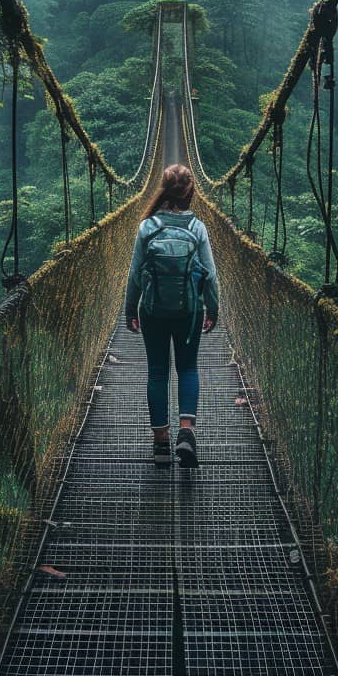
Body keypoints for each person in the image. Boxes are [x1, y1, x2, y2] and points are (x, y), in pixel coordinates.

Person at [125, 163, 219, 467]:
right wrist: (212, 309)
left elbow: (135, 275)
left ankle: (161, 444)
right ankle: (186, 433)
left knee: (157, 371)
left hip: (152, 309)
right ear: (191, 192)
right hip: (189, 310)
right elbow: (211, 276)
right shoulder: (197, 228)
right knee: (188, 368)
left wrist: (131, 310)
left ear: (162, 190)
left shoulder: (147, 227)